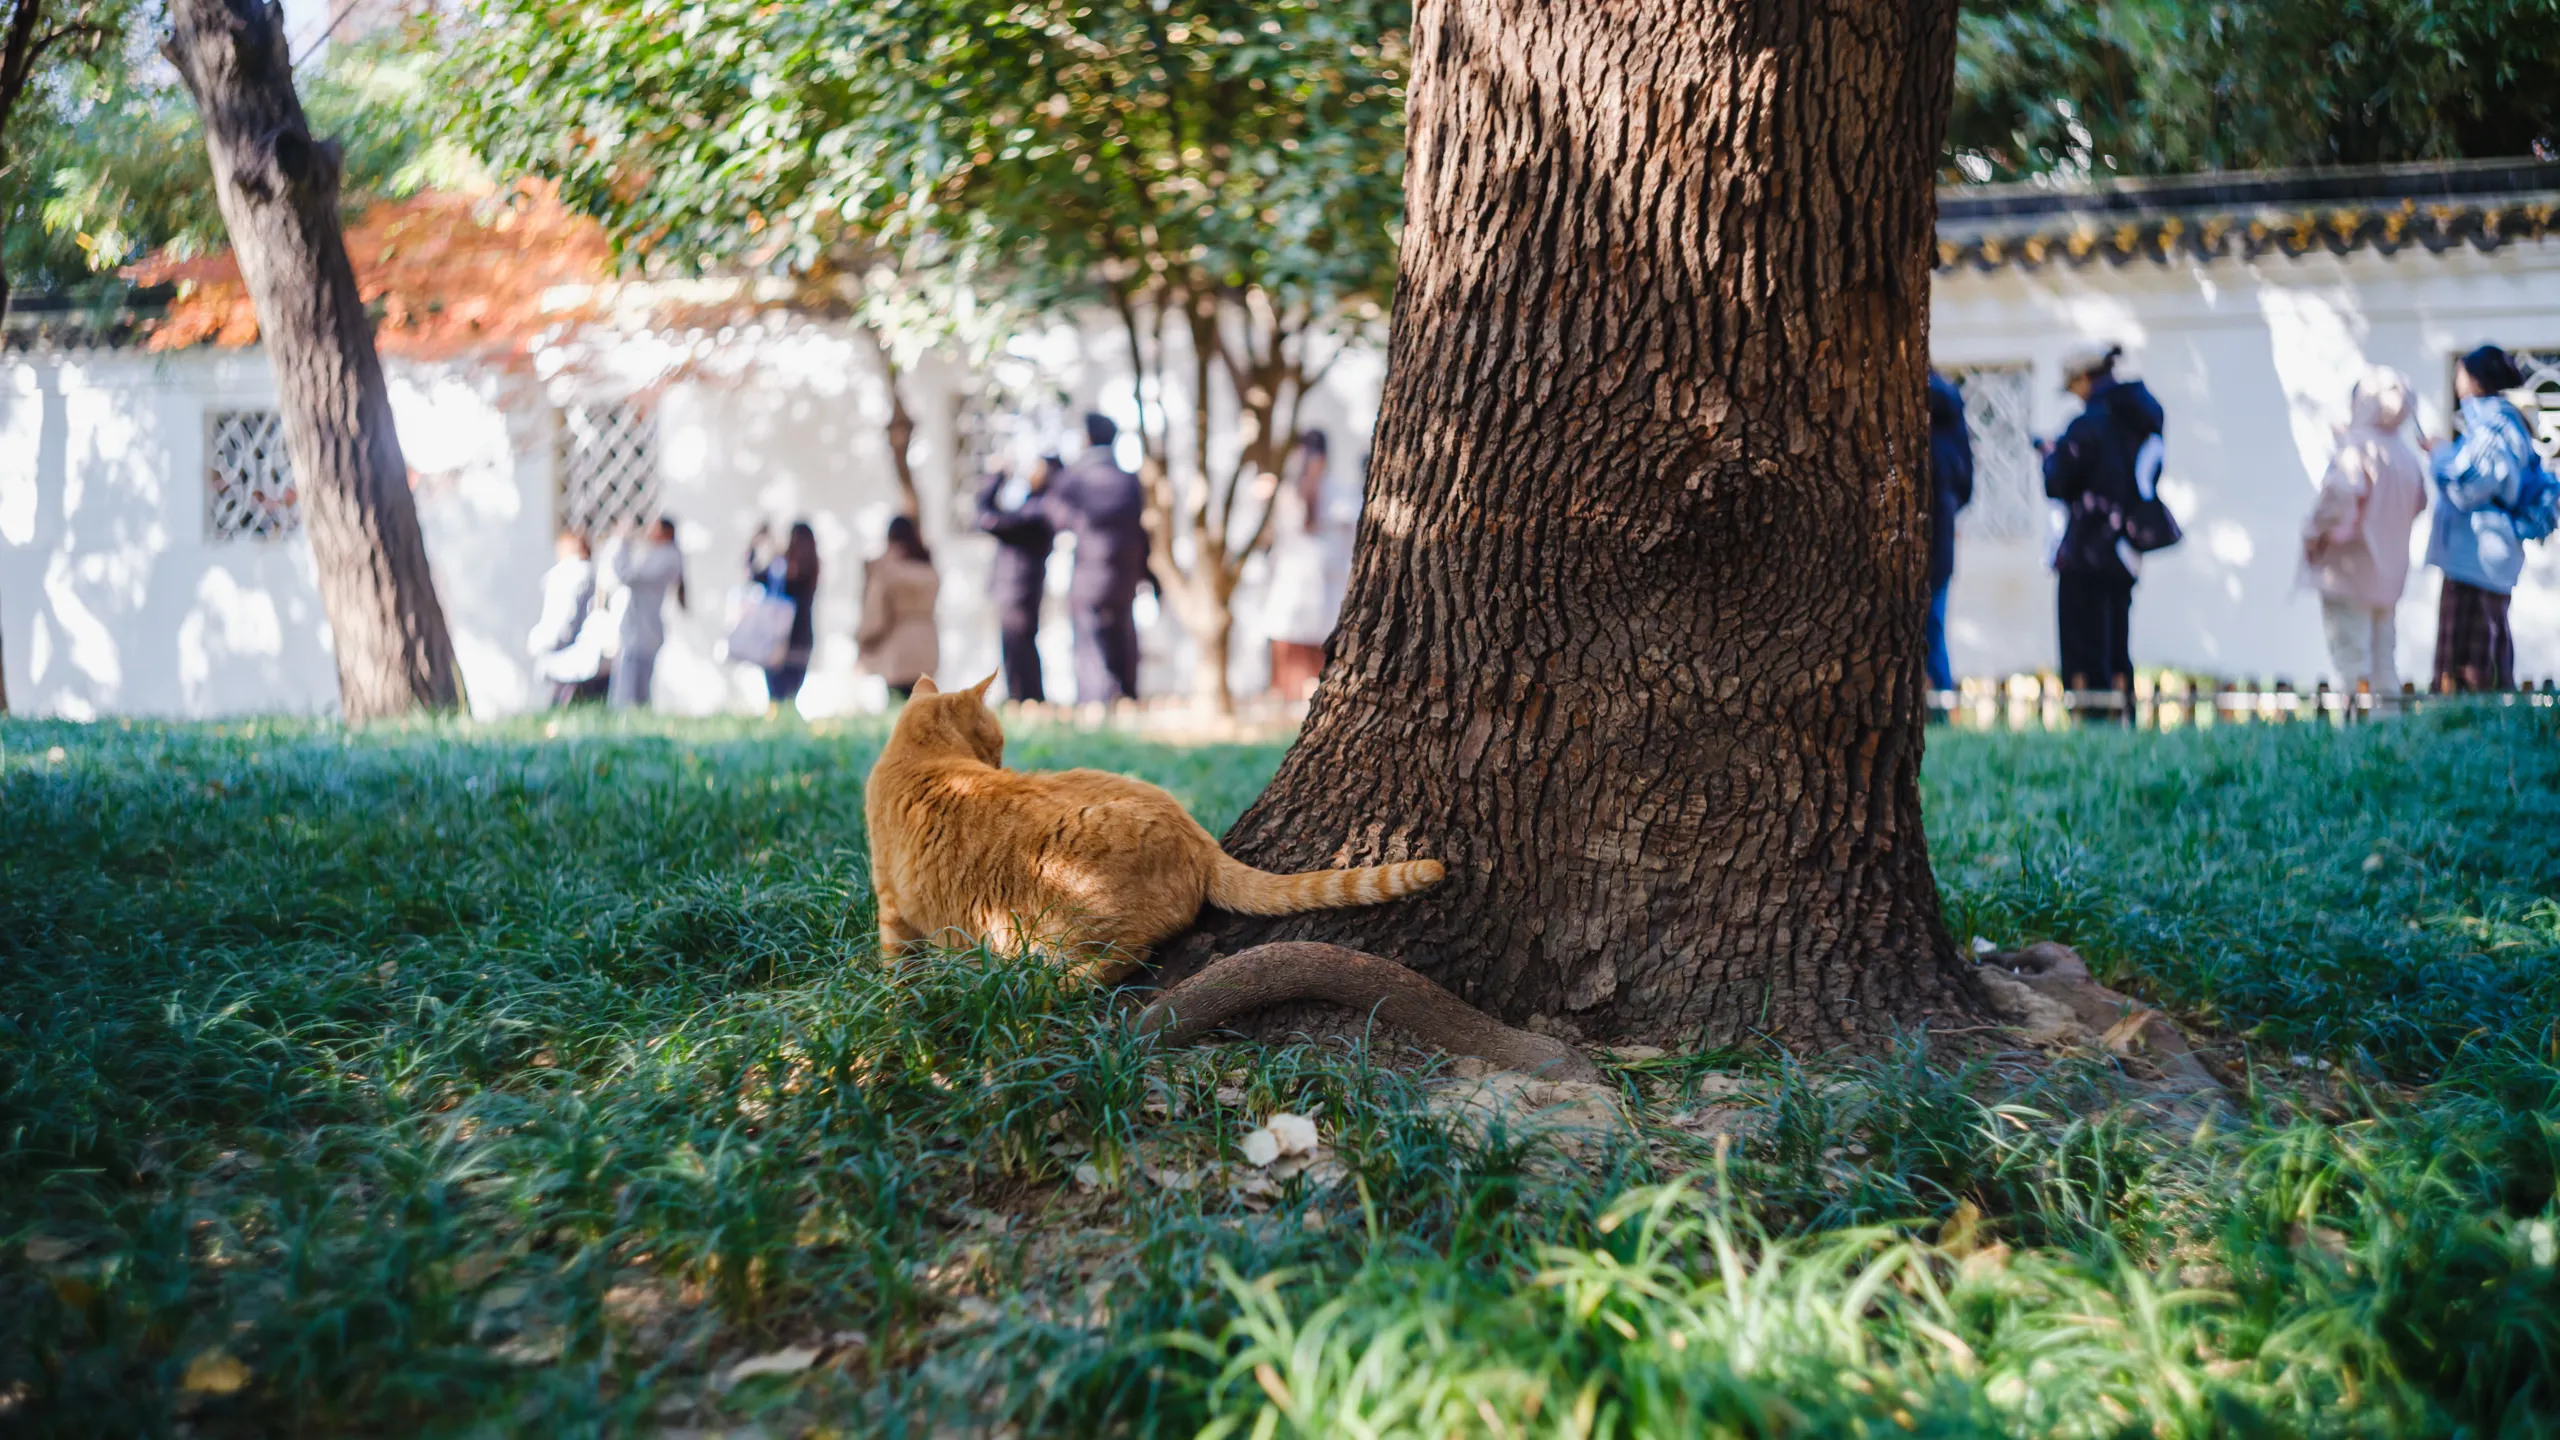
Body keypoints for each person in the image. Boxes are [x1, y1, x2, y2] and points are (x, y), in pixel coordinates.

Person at [2040, 344, 2165, 693]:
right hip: (2126, 547)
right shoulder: (2140, 420)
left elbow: (2058, 481)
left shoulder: (2087, 426)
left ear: (2084, 378)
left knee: (2084, 642)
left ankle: (2091, 715)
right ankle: (2121, 714)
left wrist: (2051, 456)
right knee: (2116, 637)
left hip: (2086, 550)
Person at [2299, 367, 2428, 699]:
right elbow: (2420, 503)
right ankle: (2386, 733)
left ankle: (2355, 734)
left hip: (2349, 573)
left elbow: (2339, 496)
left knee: (2351, 660)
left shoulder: (2357, 447)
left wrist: (2315, 534)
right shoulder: (2405, 456)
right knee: (2384, 659)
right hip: (2389, 577)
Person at [2425, 345, 2538, 692]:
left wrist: (2441, 455)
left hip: (2475, 558)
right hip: (2481, 556)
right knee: (2485, 658)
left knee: (2469, 670)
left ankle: (2468, 739)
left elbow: (2469, 484)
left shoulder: (2492, 426)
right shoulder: (2501, 423)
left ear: (2476, 379)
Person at [1041, 413, 1150, 705]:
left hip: (1089, 569)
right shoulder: (1129, 480)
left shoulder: (1076, 477)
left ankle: (1096, 698)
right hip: (1125, 571)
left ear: (1088, 438)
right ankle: (1125, 694)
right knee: (1122, 632)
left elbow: (1054, 514)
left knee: (1089, 637)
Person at [1263, 431, 1353, 702]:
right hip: (1292, 585)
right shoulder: (1288, 492)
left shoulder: (1338, 493)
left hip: (1326, 588)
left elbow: (1346, 534)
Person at [976, 456, 1059, 704]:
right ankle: (1025, 697)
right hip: (1020, 588)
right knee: (1018, 645)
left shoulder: (1039, 510)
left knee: (1017, 646)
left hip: (1019, 589)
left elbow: (986, 517)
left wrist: (996, 478)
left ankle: (1025, 698)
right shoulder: (1035, 507)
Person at [600, 516, 687, 710]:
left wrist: (622, 541)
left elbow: (627, 575)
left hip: (642, 633)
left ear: (665, 533)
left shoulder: (665, 557)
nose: (647, 530)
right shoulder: (660, 555)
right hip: (640, 630)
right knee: (635, 688)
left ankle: (629, 726)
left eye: (653, 527)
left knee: (629, 690)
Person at [1925, 372, 1974, 696]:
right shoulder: (1954, 441)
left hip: (1930, 544)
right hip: (1941, 544)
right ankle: (1940, 699)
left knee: (1928, 625)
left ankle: (1938, 700)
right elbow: (1965, 490)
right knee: (1934, 623)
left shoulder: (1930, 444)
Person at [856, 514, 941, 702]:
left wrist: (864, 639)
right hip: (928, 644)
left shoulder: (886, 573)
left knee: (899, 708)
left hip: (898, 646)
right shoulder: (928, 570)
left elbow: (875, 612)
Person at [528, 530, 609, 705]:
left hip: (570, 655)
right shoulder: (589, 573)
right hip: (587, 655)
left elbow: (564, 621)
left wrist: (542, 643)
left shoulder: (570, 575)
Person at [747, 521, 822, 708]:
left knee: (776, 698)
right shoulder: (812, 569)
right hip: (802, 641)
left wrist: (757, 544)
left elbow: (753, 574)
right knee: (789, 699)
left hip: (778, 641)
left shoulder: (782, 570)